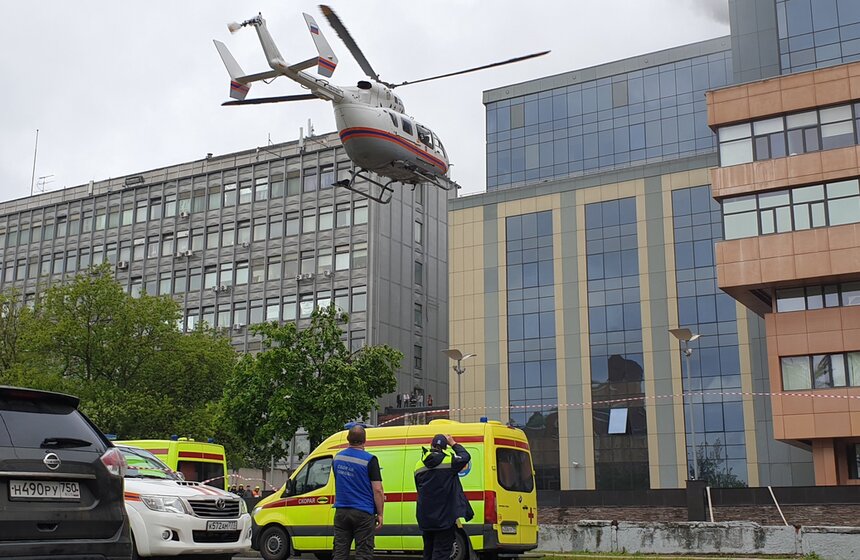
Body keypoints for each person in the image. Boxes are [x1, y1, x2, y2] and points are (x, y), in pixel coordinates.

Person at [414, 434, 473, 560]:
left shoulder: (418, 465)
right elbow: (465, 456)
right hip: (444, 518)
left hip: (425, 517)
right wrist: (454, 443)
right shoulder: (449, 461)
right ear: (445, 447)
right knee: (441, 553)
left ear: (431, 446)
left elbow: (418, 489)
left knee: (428, 552)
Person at [332, 425, 384, 560]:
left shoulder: (337, 458)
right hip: (363, 513)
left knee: (339, 552)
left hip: (341, 511)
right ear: (364, 440)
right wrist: (380, 514)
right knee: (363, 553)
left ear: (348, 439)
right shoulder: (370, 460)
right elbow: (377, 490)